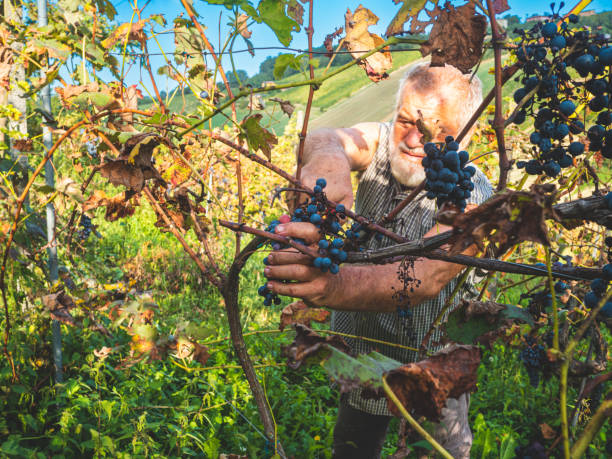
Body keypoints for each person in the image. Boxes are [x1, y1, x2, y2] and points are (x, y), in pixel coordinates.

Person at [263, 62, 493, 458]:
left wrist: (335, 285)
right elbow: (327, 138)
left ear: (467, 134)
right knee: (353, 447)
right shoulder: (382, 145)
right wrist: (328, 166)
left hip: (433, 364)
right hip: (364, 356)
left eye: (439, 132)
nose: (416, 139)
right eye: (407, 120)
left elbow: (424, 276)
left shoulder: (475, 198)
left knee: (440, 450)